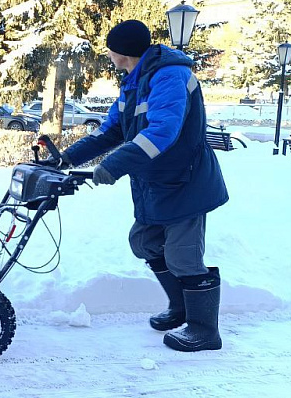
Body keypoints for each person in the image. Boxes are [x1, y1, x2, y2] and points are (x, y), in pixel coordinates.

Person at [59, 19, 228, 352]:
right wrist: (65, 159)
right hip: (154, 182)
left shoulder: (170, 75)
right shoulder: (134, 82)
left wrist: (114, 165)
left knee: (183, 256)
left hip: (184, 181)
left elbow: (163, 131)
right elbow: (111, 131)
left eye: (110, 49)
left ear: (122, 51)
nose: (108, 55)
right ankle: (181, 308)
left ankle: (204, 330)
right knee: (144, 241)